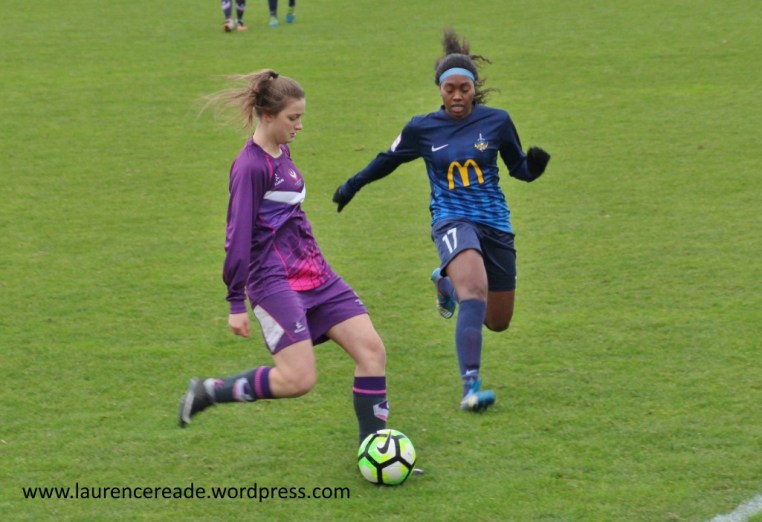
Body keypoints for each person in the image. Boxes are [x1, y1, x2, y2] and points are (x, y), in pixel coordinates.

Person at [332, 29, 551, 413]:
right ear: (440, 90)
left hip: (495, 222)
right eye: (450, 89)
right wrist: (352, 185)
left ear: (474, 88)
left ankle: (444, 284)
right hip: (452, 219)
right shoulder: (423, 128)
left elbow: (518, 169)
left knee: (498, 321)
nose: (457, 96)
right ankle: (470, 386)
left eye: (464, 89)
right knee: (475, 290)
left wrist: (534, 167)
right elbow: (388, 159)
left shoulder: (498, 122)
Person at [179, 69, 389, 446]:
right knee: (298, 380)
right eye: (293, 117)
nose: (299, 125)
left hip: (317, 274)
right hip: (274, 282)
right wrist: (235, 302)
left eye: (301, 116)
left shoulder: (282, 153)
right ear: (267, 115)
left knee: (372, 352)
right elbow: (238, 235)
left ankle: (374, 452)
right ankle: (210, 390)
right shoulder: (250, 167)